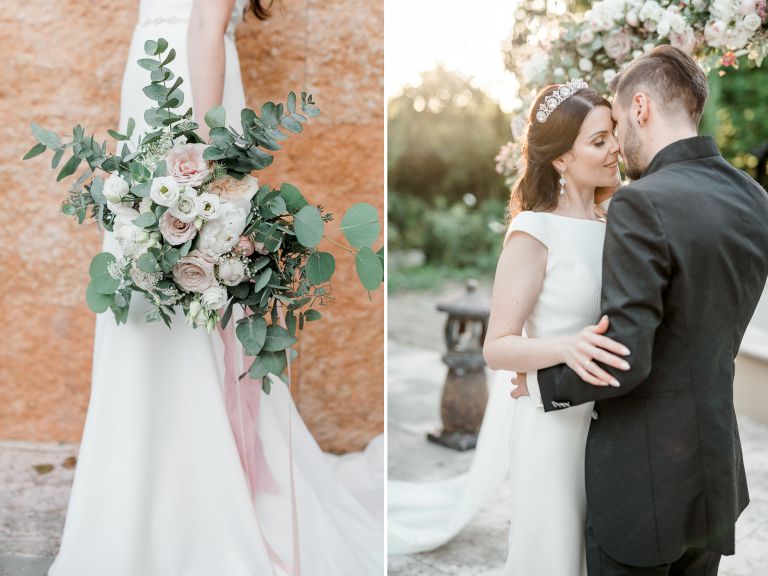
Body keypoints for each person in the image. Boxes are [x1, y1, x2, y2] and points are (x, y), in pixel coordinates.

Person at [48, 1, 383, 575]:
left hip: (179, 85)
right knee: (160, 264)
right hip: (174, 84)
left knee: (172, 266)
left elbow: (207, 20)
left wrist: (204, 158)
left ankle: (165, 492)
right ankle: (162, 488)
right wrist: (203, 153)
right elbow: (203, 21)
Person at [513, 45, 768, 575]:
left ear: (641, 107)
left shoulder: (641, 201)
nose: (616, 144)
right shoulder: (754, 198)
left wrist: (541, 384)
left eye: (616, 124)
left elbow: (627, 355)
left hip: (642, 482)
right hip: (714, 471)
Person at [388, 79, 630, 576]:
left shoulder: (615, 224)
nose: (615, 148)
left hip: (610, 422)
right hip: (551, 425)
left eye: (614, 135)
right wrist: (569, 347)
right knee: (554, 556)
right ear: (561, 158)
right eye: (599, 140)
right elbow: (497, 347)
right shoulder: (534, 230)